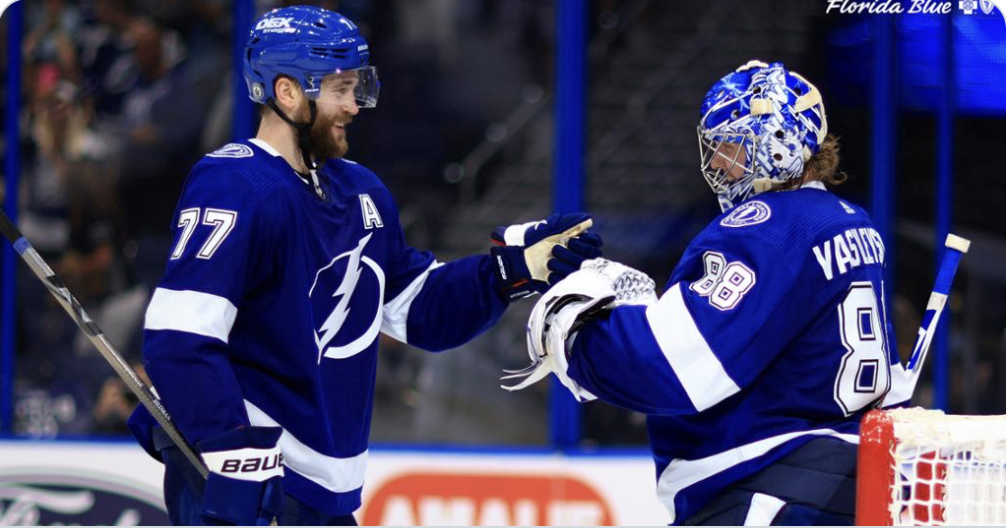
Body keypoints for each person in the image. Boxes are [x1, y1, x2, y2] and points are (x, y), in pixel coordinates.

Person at [127, 5, 602, 525]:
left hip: (325, 497)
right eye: (339, 89)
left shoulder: (359, 192)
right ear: (287, 92)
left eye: (357, 87)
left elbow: (419, 311)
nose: (354, 105)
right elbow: (179, 334)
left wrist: (512, 271)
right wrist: (230, 449)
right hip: (255, 483)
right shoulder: (236, 185)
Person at [508, 60, 902, 525]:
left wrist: (575, 325)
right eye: (714, 146)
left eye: (732, 146)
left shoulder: (765, 228)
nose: (716, 162)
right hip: (846, 493)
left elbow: (670, 369)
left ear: (777, 148)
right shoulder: (850, 222)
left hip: (767, 491)